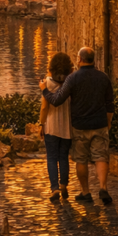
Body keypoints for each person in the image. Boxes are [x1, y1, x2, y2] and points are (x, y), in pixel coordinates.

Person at [41, 46, 115, 205]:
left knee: (81, 159)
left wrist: (44, 91)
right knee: (101, 156)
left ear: (80, 59)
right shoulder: (104, 77)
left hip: (80, 125)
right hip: (100, 123)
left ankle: (86, 192)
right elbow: (110, 104)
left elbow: (57, 100)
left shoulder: (73, 78)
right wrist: (108, 122)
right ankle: (103, 188)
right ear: (93, 60)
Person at [39, 52, 74, 203]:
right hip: (67, 125)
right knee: (63, 156)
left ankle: (55, 188)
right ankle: (64, 184)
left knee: (52, 157)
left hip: (52, 125)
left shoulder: (47, 83)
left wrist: (41, 123)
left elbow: (44, 107)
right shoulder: (71, 83)